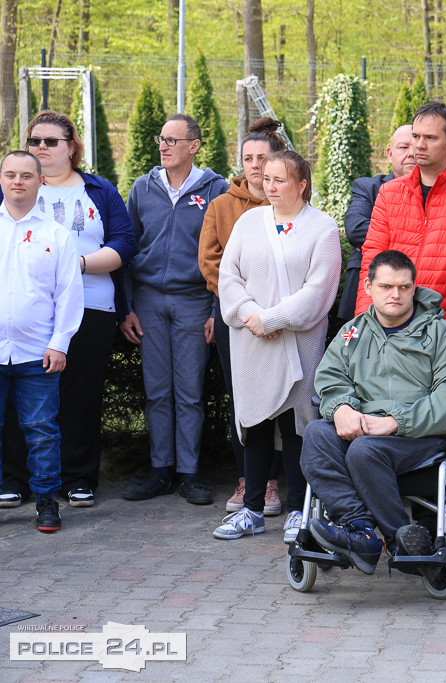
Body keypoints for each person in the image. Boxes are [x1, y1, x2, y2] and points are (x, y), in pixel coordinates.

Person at [300, 250, 446, 574]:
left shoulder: (441, 335)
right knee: (316, 434)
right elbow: (331, 377)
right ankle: (361, 532)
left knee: (365, 450)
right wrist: (341, 408)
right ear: (368, 287)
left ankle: (398, 539)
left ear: (414, 287)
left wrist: (397, 422)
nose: (395, 294)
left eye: (404, 287)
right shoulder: (352, 333)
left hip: (422, 435)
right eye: (386, 286)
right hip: (365, 426)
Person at [0, 111, 134, 509]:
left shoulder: (98, 190)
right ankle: (16, 480)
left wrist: (77, 265)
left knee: (80, 395)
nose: (41, 147)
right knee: (17, 398)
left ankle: (77, 478)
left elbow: (124, 243)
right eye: (35, 141)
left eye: (51, 141)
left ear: (72, 146)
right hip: (29, 315)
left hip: (91, 306)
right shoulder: (15, 187)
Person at [213, 150, 342, 543]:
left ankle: (299, 509)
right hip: (250, 339)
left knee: (297, 423)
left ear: (301, 185)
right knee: (254, 422)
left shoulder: (323, 229)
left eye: (279, 180)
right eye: (266, 179)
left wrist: (273, 319)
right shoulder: (249, 222)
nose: (269, 186)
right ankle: (251, 509)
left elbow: (319, 292)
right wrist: (251, 314)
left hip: (297, 341)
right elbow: (228, 275)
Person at [120, 114, 229, 504]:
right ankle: (160, 469)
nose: (163, 146)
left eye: (172, 140)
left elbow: (224, 255)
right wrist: (127, 307)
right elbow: (127, 249)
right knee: (156, 391)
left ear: (194, 146)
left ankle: (189, 473)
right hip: (148, 302)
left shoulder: (216, 189)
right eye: (161, 138)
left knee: (189, 392)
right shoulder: (142, 188)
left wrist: (216, 309)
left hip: (194, 301)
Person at [198, 117, 286, 515]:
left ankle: (274, 483)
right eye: (248, 158)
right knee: (244, 400)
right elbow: (211, 261)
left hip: (281, 314)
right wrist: (245, 308)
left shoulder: (289, 203)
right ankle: (248, 479)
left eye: (262, 158)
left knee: (283, 399)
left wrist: (272, 310)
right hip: (236, 315)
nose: (254, 165)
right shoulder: (220, 205)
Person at [355, 103, 446, 339]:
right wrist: (364, 315)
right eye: (415, 136)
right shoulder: (389, 192)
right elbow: (372, 258)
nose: (419, 146)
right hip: (390, 324)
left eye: (430, 138)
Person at [0, 151, 83, 531]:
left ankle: (47, 501)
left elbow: (68, 294)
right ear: (1, 179)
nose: (18, 181)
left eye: (26, 176)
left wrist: (60, 342)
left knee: (42, 430)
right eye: (10, 174)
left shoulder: (57, 235)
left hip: (38, 354)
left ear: (40, 181)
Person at [337, 124, 415, 322]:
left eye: (416, 147)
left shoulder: (435, 193)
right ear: (390, 154)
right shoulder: (368, 187)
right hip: (366, 287)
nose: (411, 153)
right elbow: (355, 230)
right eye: (403, 147)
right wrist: (417, 236)